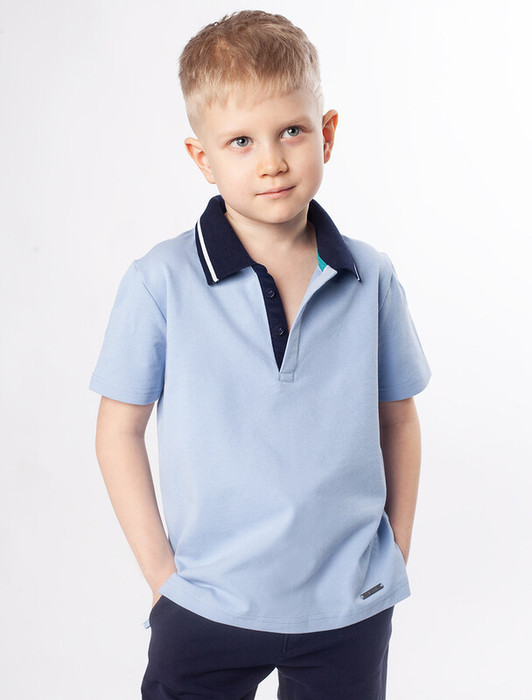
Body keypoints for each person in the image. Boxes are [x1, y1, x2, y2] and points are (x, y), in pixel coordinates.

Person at [90, 10, 431, 699]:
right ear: (203, 159)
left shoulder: (372, 276)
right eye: (241, 141)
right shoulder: (160, 281)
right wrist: (163, 579)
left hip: (349, 605)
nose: (272, 161)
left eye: (292, 132)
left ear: (327, 134)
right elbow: (117, 431)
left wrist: (393, 550)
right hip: (206, 604)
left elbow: (398, 419)